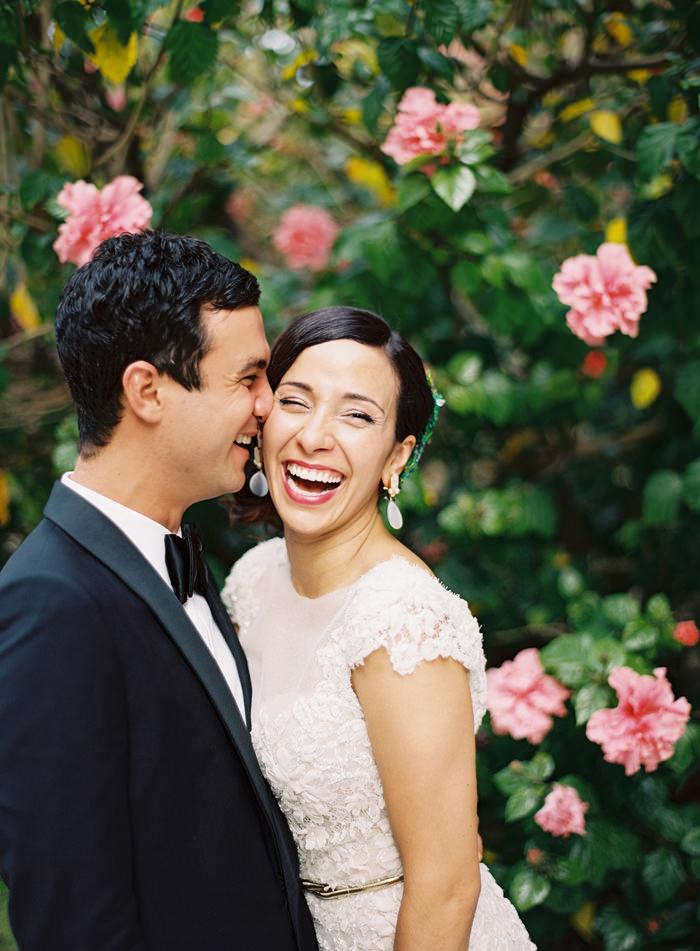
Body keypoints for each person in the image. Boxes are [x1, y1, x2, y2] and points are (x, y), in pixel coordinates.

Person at [0, 231, 318, 951]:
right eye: (247, 379)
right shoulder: (50, 605)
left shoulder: (187, 564)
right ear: (147, 390)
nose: (269, 405)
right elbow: (74, 922)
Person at [223, 306, 536, 951]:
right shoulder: (253, 580)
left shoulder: (401, 624)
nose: (314, 436)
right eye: (296, 401)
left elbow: (446, 884)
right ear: (262, 417)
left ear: (398, 455)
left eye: (356, 415)